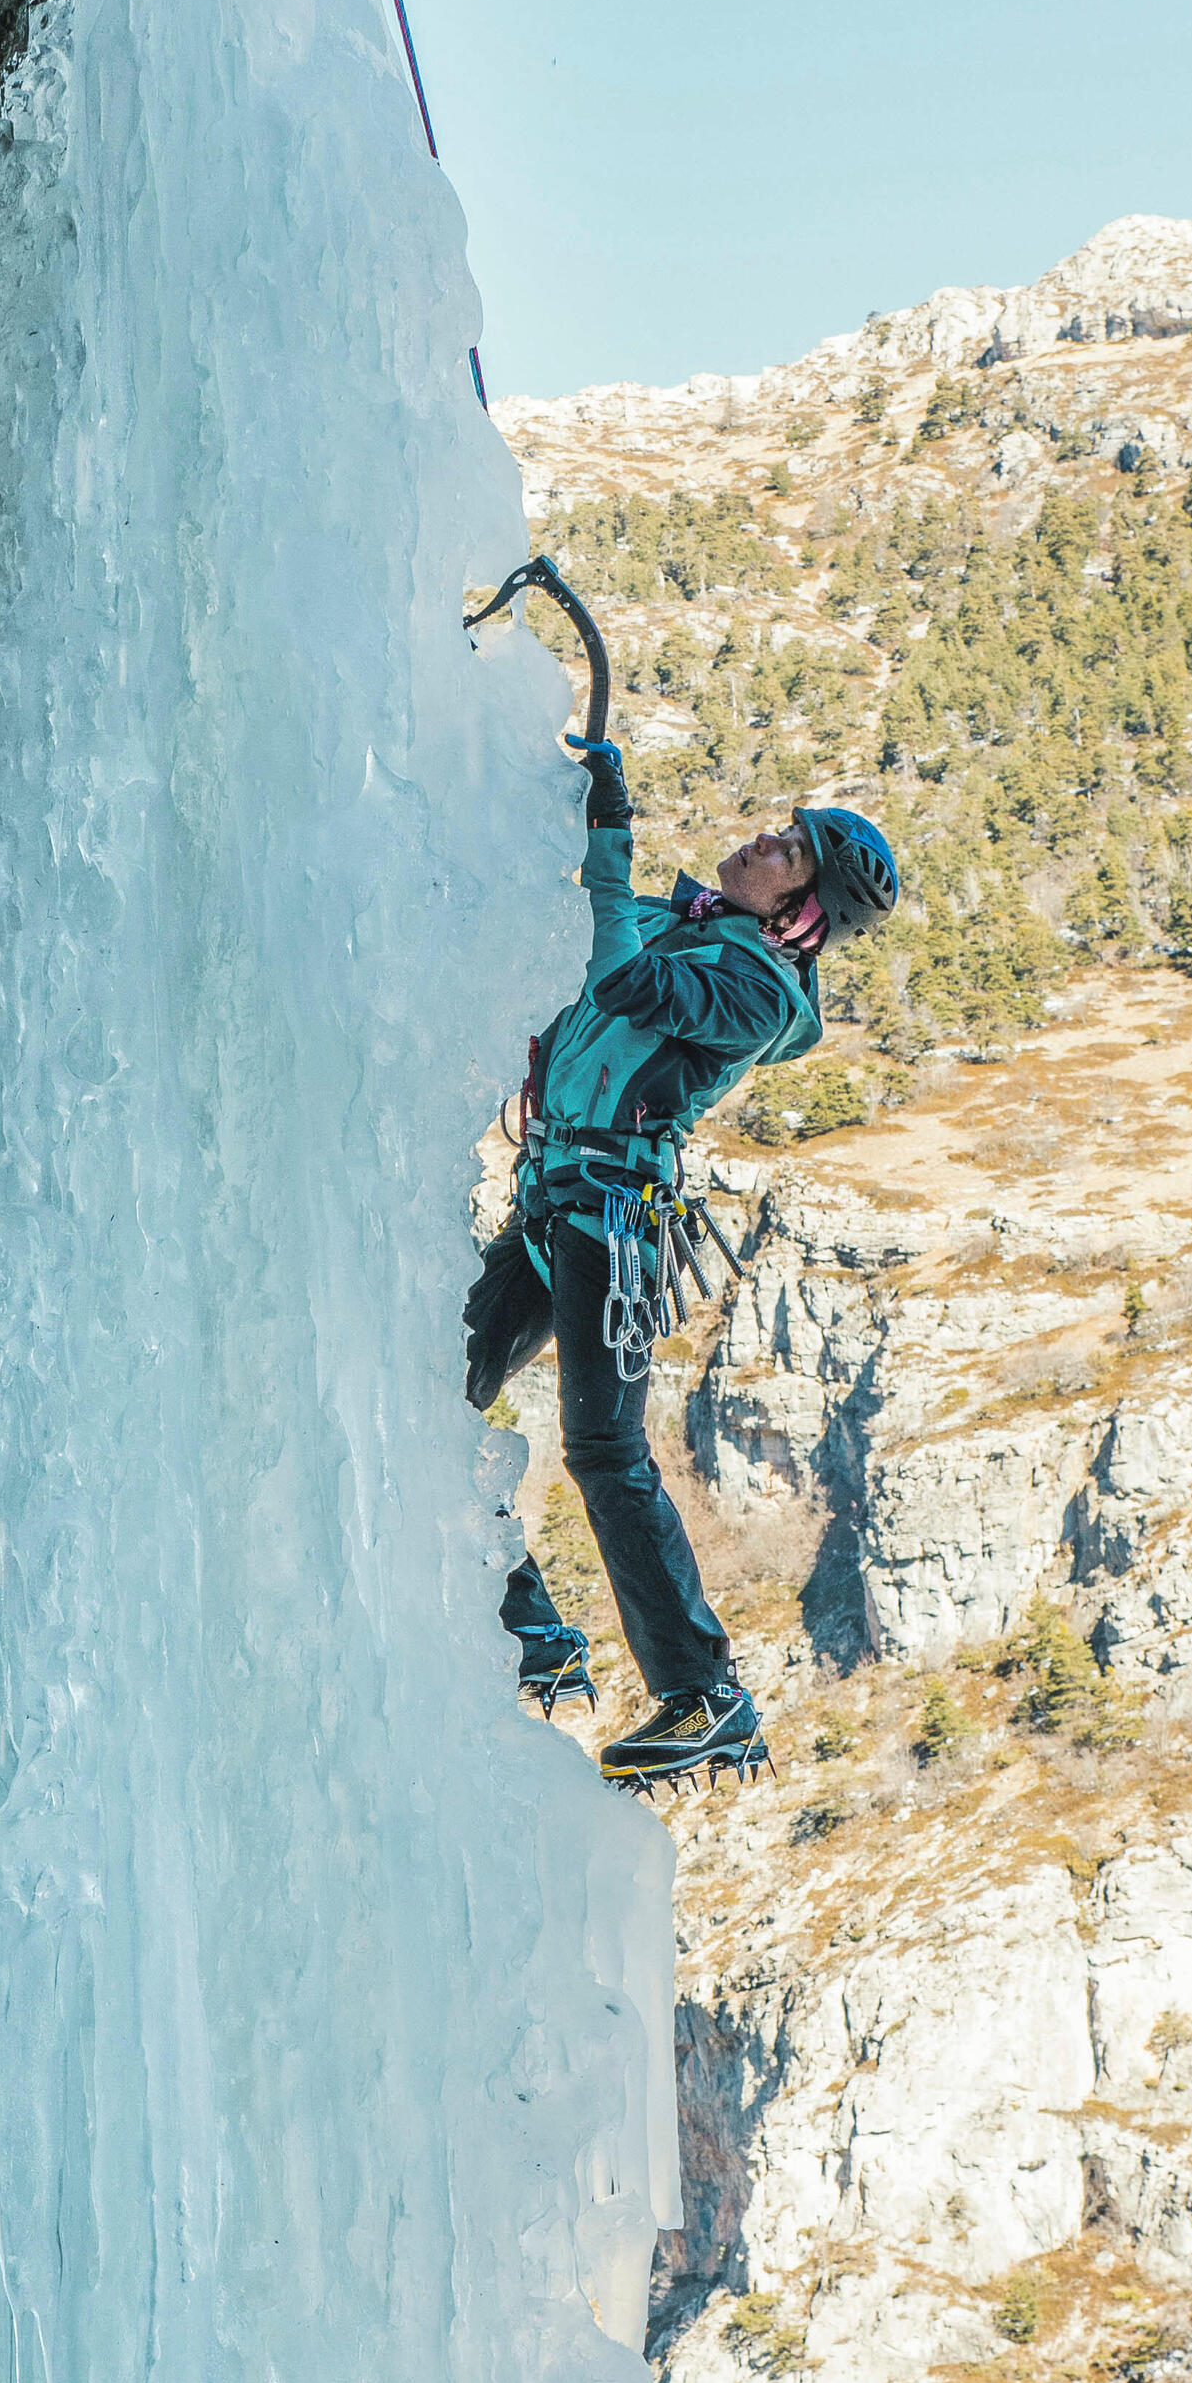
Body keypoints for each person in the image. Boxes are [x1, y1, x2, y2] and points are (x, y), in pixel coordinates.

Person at [463, 746, 901, 1791]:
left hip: (611, 1222)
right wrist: (571, 814)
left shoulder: (758, 991)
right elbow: (582, 944)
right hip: (562, 1201)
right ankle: (531, 1629)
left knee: (606, 1452)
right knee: (431, 1392)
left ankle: (706, 1695)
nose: (765, 840)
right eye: (780, 830)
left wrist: (612, 841)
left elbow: (620, 977)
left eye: (790, 850)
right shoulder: (701, 930)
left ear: (805, 909)